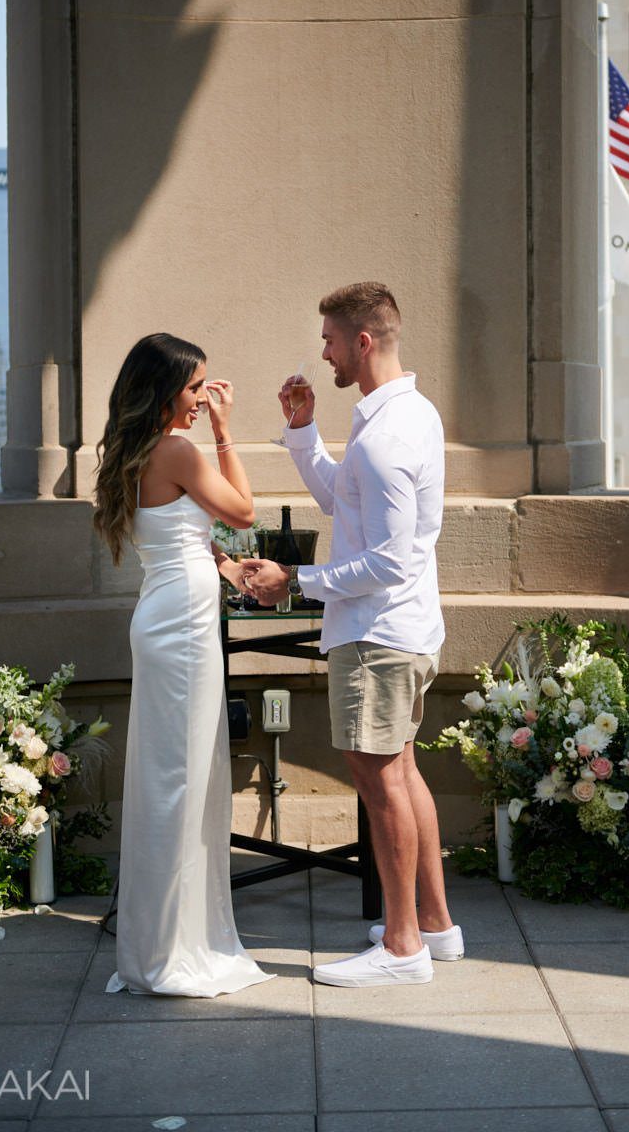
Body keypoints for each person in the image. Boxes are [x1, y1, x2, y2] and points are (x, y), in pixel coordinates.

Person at [245, 282, 463, 987]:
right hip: (400, 630)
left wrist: (294, 583)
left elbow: (392, 558)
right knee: (399, 773)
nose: (324, 352)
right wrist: (303, 433)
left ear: (362, 342)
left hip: (377, 636)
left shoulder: (390, 433)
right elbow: (347, 501)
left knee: (379, 782)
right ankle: (434, 924)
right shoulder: (404, 416)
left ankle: (402, 949)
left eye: (331, 341)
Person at [94, 333, 273, 997]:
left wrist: (225, 566)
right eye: (196, 388)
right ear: (167, 388)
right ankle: (172, 947)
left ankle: (163, 939)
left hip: (167, 613)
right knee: (180, 779)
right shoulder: (176, 448)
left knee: (173, 776)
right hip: (182, 627)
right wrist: (228, 433)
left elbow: (180, 536)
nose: (203, 399)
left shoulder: (134, 449)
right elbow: (243, 511)